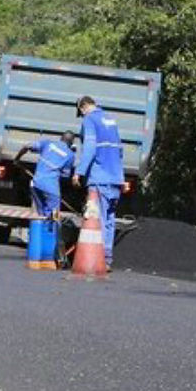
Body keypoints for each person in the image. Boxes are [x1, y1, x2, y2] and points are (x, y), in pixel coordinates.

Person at [73, 95, 124, 270]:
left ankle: (96, 259)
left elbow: (89, 149)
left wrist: (79, 172)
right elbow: (120, 151)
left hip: (99, 177)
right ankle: (107, 258)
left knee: (96, 218)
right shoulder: (110, 120)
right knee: (109, 219)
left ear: (83, 108)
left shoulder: (89, 119)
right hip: (115, 177)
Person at [13, 131, 77, 217]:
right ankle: (54, 224)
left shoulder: (48, 143)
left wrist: (17, 159)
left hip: (35, 184)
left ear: (61, 138)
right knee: (55, 214)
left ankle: (42, 222)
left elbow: (27, 146)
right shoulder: (70, 155)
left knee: (42, 214)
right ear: (71, 143)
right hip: (51, 189)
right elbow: (65, 176)